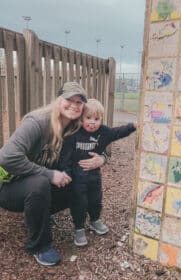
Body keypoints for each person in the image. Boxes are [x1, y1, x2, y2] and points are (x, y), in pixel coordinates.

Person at [0, 82, 106, 266]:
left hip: (34, 184)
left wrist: (102, 158)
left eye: (79, 102)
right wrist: (49, 174)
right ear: (58, 100)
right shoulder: (37, 122)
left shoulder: (76, 127)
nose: (74, 105)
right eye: (69, 99)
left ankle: (39, 212)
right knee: (40, 183)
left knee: (77, 179)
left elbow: (100, 140)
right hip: (8, 186)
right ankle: (40, 246)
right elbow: (7, 157)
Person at [59, 98, 136, 246]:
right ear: (81, 118)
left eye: (97, 119)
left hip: (94, 177)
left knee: (96, 199)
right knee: (79, 203)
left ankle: (95, 220)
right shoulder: (73, 135)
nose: (92, 122)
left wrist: (133, 126)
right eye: (88, 118)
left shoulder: (103, 132)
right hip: (77, 179)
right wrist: (66, 173)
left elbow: (118, 132)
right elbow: (65, 157)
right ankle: (79, 228)